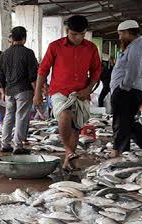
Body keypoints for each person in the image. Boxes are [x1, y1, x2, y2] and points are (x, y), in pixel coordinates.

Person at [34, 15, 102, 170]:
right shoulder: (55, 46)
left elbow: (96, 71)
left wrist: (88, 89)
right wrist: (37, 93)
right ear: (67, 30)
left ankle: (68, 160)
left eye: (81, 34)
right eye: (74, 34)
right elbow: (43, 70)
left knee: (76, 127)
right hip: (60, 91)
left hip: (81, 92)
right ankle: (69, 150)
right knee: (64, 115)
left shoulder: (91, 48)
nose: (78, 38)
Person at [105, 20, 142, 159]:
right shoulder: (135, 45)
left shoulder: (137, 47)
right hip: (129, 89)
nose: (120, 38)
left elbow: (133, 70)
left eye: (121, 35)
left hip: (128, 90)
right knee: (126, 120)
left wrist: (123, 87)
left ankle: (117, 150)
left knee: (122, 121)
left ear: (128, 33)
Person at [0, 26, 39, 154]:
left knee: (9, 116)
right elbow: (33, 75)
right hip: (24, 89)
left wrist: (3, 91)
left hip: (9, 90)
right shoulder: (28, 53)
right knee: (21, 116)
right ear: (24, 38)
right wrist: (37, 91)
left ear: (12, 38)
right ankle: (18, 146)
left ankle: (5, 144)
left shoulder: (4, 54)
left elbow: (1, 74)